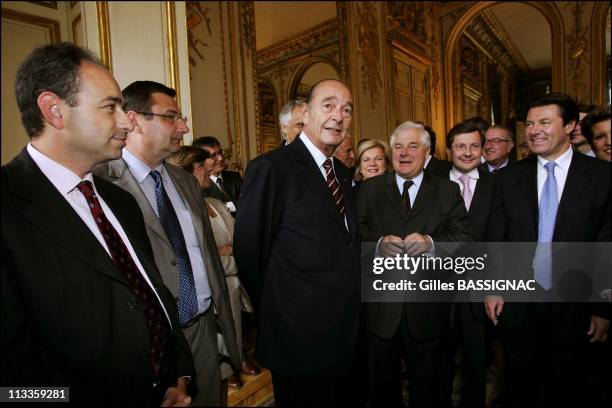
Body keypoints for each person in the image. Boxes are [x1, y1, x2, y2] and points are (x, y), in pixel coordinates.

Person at [2, 42, 194, 405]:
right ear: (53, 110)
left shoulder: (120, 201)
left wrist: (175, 373)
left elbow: (151, 294)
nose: (126, 121)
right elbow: (12, 384)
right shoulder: (7, 204)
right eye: (111, 107)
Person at [94, 81, 240, 406]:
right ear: (134, 119)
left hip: (203, 325)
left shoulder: (185, 181)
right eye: (172, 117)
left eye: (181, 117)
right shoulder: (102, 183)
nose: (184, 127)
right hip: (153, 338)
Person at [234, 79, 361, 406]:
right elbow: (250, 252)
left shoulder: (343, 174)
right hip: (297, 334)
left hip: (342, 333)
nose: (339, 115)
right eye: (329, 105)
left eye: (347, 109)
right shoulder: (272, 168)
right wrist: (280, 309)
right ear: (305, 112)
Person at [485, 93, 610, 407]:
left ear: (569, 125)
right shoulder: (509, 177)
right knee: (519, 385)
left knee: (569, 387)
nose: (533, 130)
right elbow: (496, 236)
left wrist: (603, 307)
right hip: (520, 303)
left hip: (576, 305)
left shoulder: (601, 177)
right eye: (529, 124)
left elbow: (606, 242)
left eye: (544, 122)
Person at [357, 121, 473, 408]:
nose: (404, 153)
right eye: (398, 146)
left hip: (429, 311)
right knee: (383, 391)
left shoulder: (447, 190)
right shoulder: (368, 190)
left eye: (413, 146)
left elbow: (464, 238)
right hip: (381, 311)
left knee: (430, 390)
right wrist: (378, 243)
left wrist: (431, 244)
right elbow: (352, 235)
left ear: (428, 152)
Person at [167, 146, 258, 390]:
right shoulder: (177, 211)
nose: (210, 166)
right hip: (210, 292)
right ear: (183, 173)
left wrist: (228, 252)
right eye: (202, 164)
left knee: (235, 338)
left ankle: (236, 365)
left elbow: (241, 241)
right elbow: (194, 257)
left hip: (235, 284)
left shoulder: (215, 202)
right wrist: (223, 253)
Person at [439, 121, 495, 408]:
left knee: (476, 356)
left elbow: (501, 237)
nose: (467, 152)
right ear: (449, 150)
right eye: (460, 146)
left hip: (478, 286)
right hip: (435, 287)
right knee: (438, 358)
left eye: (474, 146)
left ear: (482, 149)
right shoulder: (431, 182)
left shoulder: (496, 185)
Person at [193, 136, 242, 214]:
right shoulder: (198, 185)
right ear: (200, 160)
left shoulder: (235, 176)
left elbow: (250, 201)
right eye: (213, 156)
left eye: (220, 152)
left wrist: (227, 206)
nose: (220, 158)